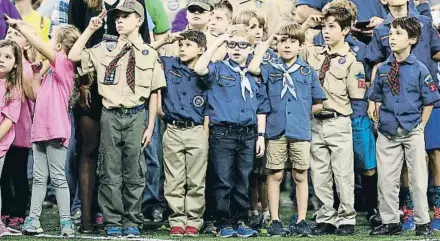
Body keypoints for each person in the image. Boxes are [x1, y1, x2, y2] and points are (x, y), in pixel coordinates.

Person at [68, 0, 166, 237]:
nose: (119, 20)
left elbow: (154, 92)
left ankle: (132, 219)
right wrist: (91, 29)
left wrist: (151, 124)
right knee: (109, 172)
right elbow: (74, 55)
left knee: (135, 172)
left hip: (136, 116)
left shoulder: (149, 53)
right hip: (110, 115)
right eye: (117, 17)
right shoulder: (104, 48)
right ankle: (112, 219)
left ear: (139, 20)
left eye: (126, 16)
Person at [302, 0, 381, 228]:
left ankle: (347, 217)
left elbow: (356, 96)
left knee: (344, 173)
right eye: (324, 27)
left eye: (332, 27)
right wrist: (307, 25)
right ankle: (326, 216)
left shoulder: (353, 59)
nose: (326, 31)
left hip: (340, 120)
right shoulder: (315, 53)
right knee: (320, 173)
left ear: (346, 30)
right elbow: (291, 43)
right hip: (315, 122)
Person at [365, 0, 440, 231]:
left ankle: (423, 220)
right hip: (388, 129)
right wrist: (372, 106)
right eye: (391, 33)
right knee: (386, 179)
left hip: (412, 126)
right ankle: (390, 221)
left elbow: (430, 99)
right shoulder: (384, 69)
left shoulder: (420, 68)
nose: (392, 37)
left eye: (398, 34)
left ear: (412, 40)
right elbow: (375, 95)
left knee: (419, 176)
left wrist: (420, 125)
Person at [248, 23, 327, 237]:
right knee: (275, 174)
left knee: (301, 174)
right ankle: (274, 219)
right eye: (283, 41)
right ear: (277, 44)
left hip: (300, 129)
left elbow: (319, 101)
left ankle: (301, 219)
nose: (287, 45)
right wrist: (267, 42)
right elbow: (253, 67)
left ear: (300, 45)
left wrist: (303, 112)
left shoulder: (307, 71)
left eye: (292, 41)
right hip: (275, 129)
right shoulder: (270, 67)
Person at [5, 14, 80, 237]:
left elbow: (38, 44)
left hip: (56, 129)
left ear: (58, 46)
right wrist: (37, 74)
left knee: (57, 177)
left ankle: (66, 221)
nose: (47, 43)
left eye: (52, 39)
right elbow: (37, 96)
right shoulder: (51, 73)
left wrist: (21, 27)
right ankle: (33, 219)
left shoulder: (65, 65)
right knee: (38, 177)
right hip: (40, 130)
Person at [194, 25, 270, 238]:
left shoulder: (255, 74)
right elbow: (200, 69)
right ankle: (223, 221)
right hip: (223, 133)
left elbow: (262, 107)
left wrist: (261, 136)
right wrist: (217, 43)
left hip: (248, 133)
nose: (237, 49)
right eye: (232, 44)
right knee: (223, 179)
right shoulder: (219, 69)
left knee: (243, 179)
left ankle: (241, 220)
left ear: (251, 48)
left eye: (243, 45)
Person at [150, 30, 209, 237]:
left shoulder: (206, 72)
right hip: (173, 129)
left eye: (188, 45)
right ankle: (177, 219)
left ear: (201, 50)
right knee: (173, 179)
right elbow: (146, 52)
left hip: (196, 129)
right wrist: (166, 39)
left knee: (195, 180)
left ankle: (194, 220)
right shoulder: (169, 64)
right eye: (181, 45)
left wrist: (206, 133)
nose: (182, 48)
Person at [1, 25, 38, 234]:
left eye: (16, 34)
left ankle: (19, 211)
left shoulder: (24, 66)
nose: (11, 35)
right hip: (3, 130)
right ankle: (5, 208)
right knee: (4, 174)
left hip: (21, 128)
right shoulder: (3, 65)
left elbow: (32, 95)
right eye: (9, 33)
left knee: (18, 172)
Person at [0, 39, 24, 237]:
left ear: (15, 63)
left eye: (7, 57)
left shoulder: (14, 89)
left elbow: (9, 120)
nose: (1, 60)